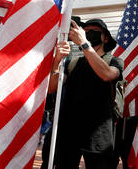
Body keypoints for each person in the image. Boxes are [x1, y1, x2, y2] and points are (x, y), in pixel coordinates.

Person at [49, 18, 123, 169]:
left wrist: (84, 43)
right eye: (85, 31)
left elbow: (107, 74)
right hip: (70, 133)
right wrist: (56, 62)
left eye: (94, 31)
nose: (88, 33)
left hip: (98, 136)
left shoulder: (114, 61)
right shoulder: (74, 63)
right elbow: (52, 88)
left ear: (106, 37)